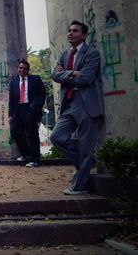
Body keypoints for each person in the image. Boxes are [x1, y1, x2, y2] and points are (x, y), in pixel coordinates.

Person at [50, 20, 105, 195]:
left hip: (87, 104)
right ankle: (88, 161)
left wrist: (64, 74)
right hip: (69, 103)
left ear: (84, 35)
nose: (70, 33)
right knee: (56, 137)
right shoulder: (65, 54)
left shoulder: (92, 53)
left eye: (75, 31)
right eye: (69, 30)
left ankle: (79, 186)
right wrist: (72, 72)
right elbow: (54, 75)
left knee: (86, 144)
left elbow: (85, 79)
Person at [8, 59, 47, 167]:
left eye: (25, 68)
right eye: (20, 68)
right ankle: (25, 154)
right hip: (18, 110)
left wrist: (36, 106)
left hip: (30, 109)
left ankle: (35, 160)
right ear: (18, 69)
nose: (22, 70)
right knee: (14, 130)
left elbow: (42, 93)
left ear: (28, 70)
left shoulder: (35, 79)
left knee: (32, 134)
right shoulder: (14, 81)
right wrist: (10, 115)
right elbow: (11, 99)